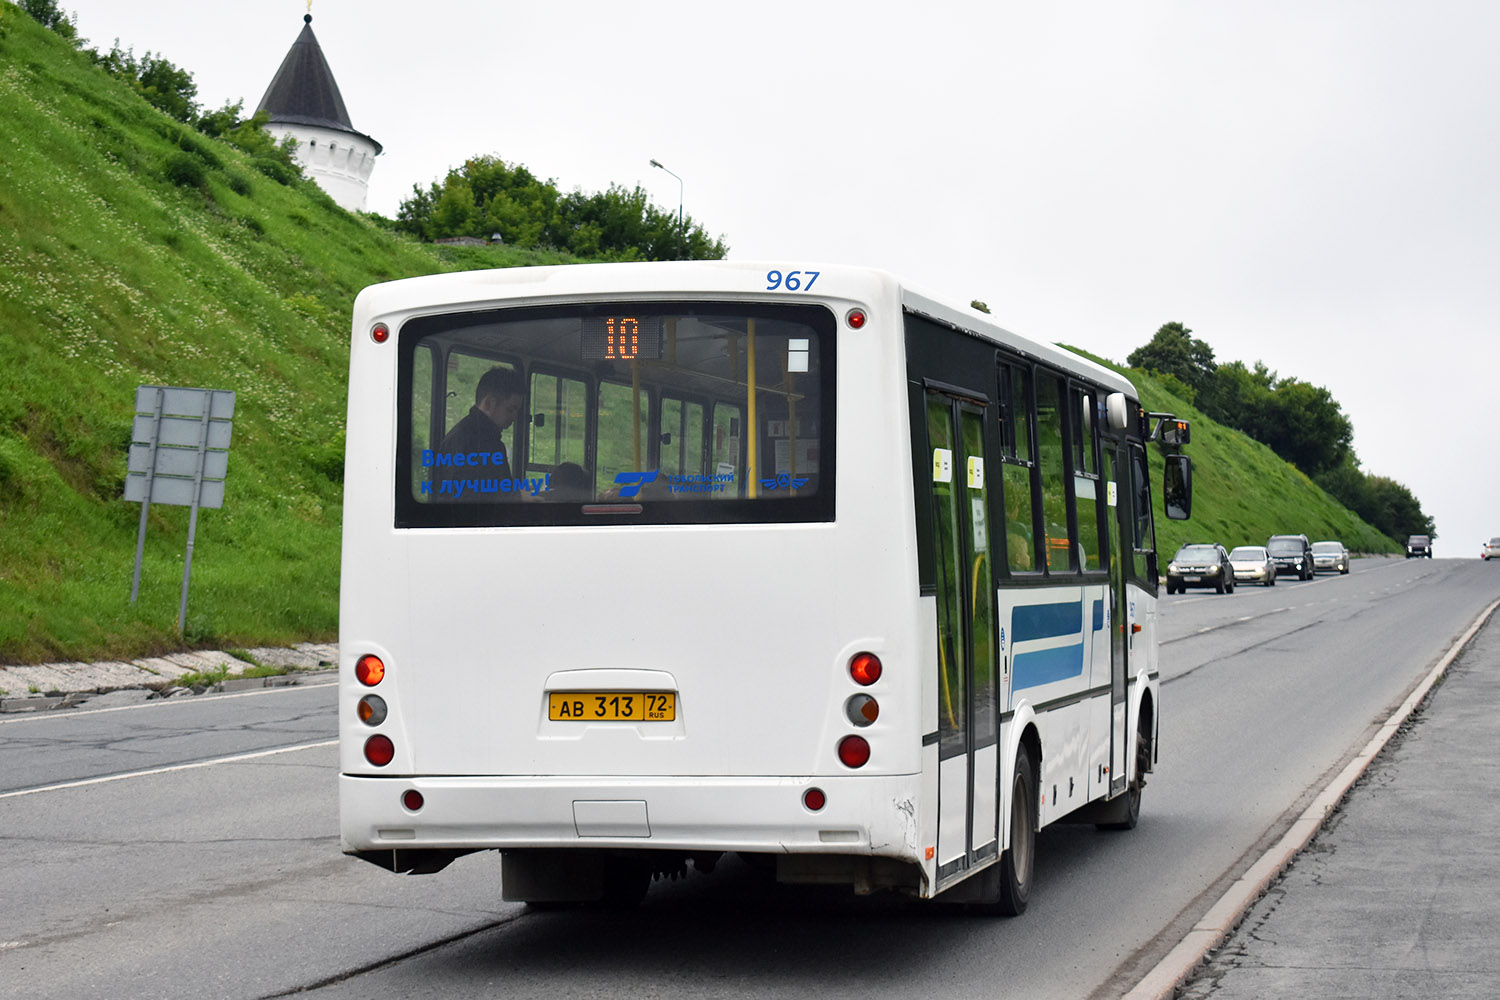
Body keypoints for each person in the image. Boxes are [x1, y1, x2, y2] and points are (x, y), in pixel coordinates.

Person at [430, 366, 524, 497]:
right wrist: (516, 496)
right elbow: (465, 496)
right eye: (510, 409)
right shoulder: (466, 440)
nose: (514, 417)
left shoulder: (488, 440)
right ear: (489, 404)